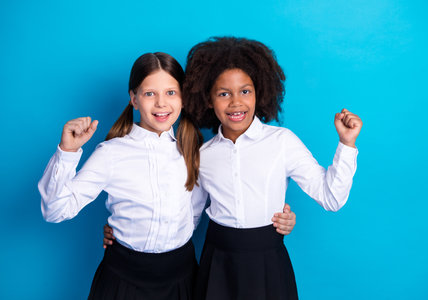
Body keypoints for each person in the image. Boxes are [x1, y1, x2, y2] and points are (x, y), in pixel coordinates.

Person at [39, 52, 296, 300]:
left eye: (171, 93)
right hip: (123, 278)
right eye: (150, 93)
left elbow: (201, 211)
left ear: (183, 98)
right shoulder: (111, 153)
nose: (161, 103)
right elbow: (55, 211)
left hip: (181, 279)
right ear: (134, 98)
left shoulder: (194, 152)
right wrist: (67, 152)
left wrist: (277, 215)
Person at [181, 37, 363, 300]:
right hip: (217, 263)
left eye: (245, 91)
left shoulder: (282, 141)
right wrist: (128, 233)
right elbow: (188, 218)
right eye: (223, 93)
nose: (236, 103)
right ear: (208, 99)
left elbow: (331, 198)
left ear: (259, 92)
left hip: (268, 262)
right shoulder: (202, 155)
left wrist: (346, 144)